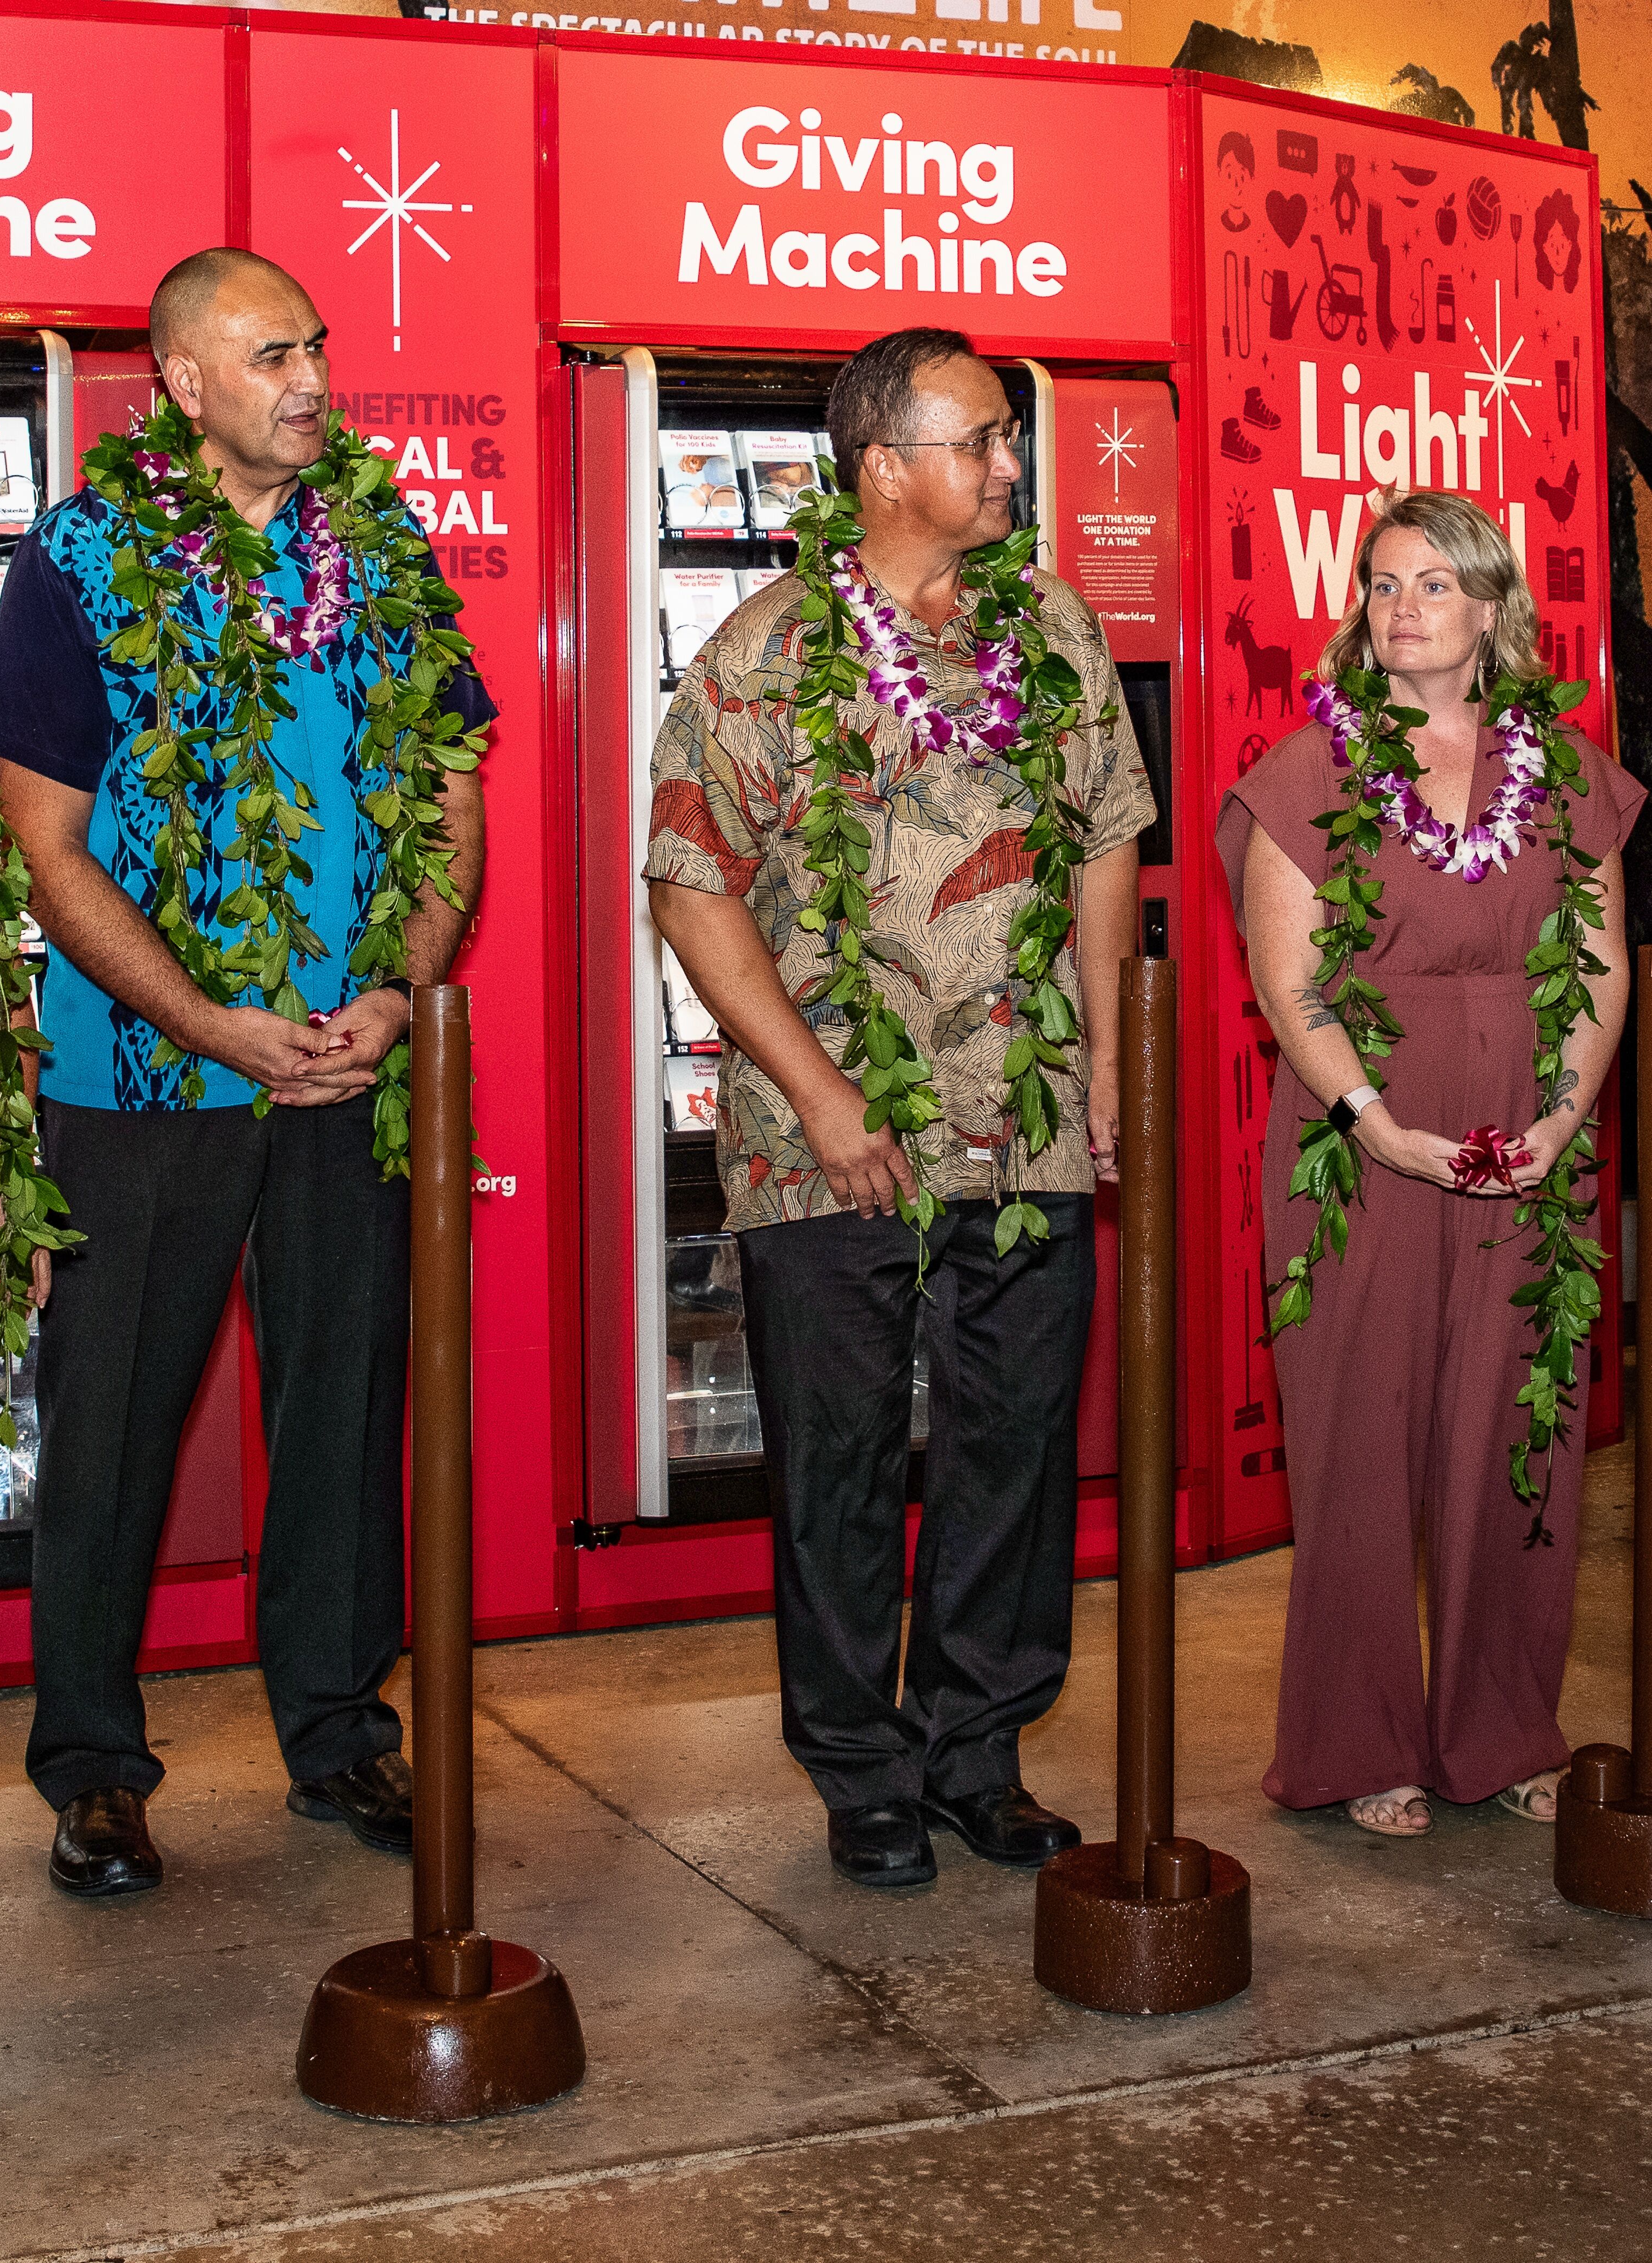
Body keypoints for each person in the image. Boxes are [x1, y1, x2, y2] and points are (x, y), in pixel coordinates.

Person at [0, 247, 489, 1896]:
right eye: (274, 354)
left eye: (319, 348)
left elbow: (450, 797)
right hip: (140, 1075)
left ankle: (341, 1733)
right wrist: (204, 1018)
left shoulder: (382, 549)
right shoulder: (83, 556)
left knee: (345, 1407)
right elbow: (44, 842)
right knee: (112, 1420)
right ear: (185, 383)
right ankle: (93, 1764)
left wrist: (399, 995)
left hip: (346, 1069)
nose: (315, 380)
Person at [643, 328, 1153, 1889]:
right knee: (842, 1457)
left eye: (1010, 439)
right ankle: (860, 1766)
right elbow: (691, 888)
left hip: (1028, 1118)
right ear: (882, 468)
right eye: (984, 439)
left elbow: (1103, 847)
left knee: (1012, 1447)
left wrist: (1111, 1077)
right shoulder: (765, 650)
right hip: (826, 1142)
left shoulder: (1051, 625)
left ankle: (978, 1750)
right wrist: (822, 1091)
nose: (1012, 465)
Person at [1220, 489, 1635, 1838]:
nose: (1402, 609)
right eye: (1383, 585)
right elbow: (1288, 991)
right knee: (1355, 1444)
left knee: (1517, 1435)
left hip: (1532, 1131)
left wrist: (1568, 1118)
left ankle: (1504, 1726)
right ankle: (1355, 1745)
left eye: (1433, 586)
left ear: (1490, 610)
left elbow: (1599, 962)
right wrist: (1374, 1127)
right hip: (1361, 1147)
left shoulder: (1564, 774)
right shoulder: (1306, 773)